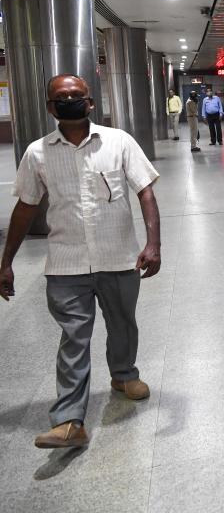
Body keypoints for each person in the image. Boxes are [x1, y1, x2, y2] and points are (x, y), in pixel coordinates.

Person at [0, 74, 161, 449]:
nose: (69, 101)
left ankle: (123, 375)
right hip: (65, 263)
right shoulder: (37, 153)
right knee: (74, 336)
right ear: (50, 107)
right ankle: (70, 420)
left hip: (117, 255)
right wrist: (6, 261)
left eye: (76, 96)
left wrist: (153, 243)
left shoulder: (119, 141)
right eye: (61, 97)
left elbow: (146, 192)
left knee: (123, 325)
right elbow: (25, 206)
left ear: (90, 102)